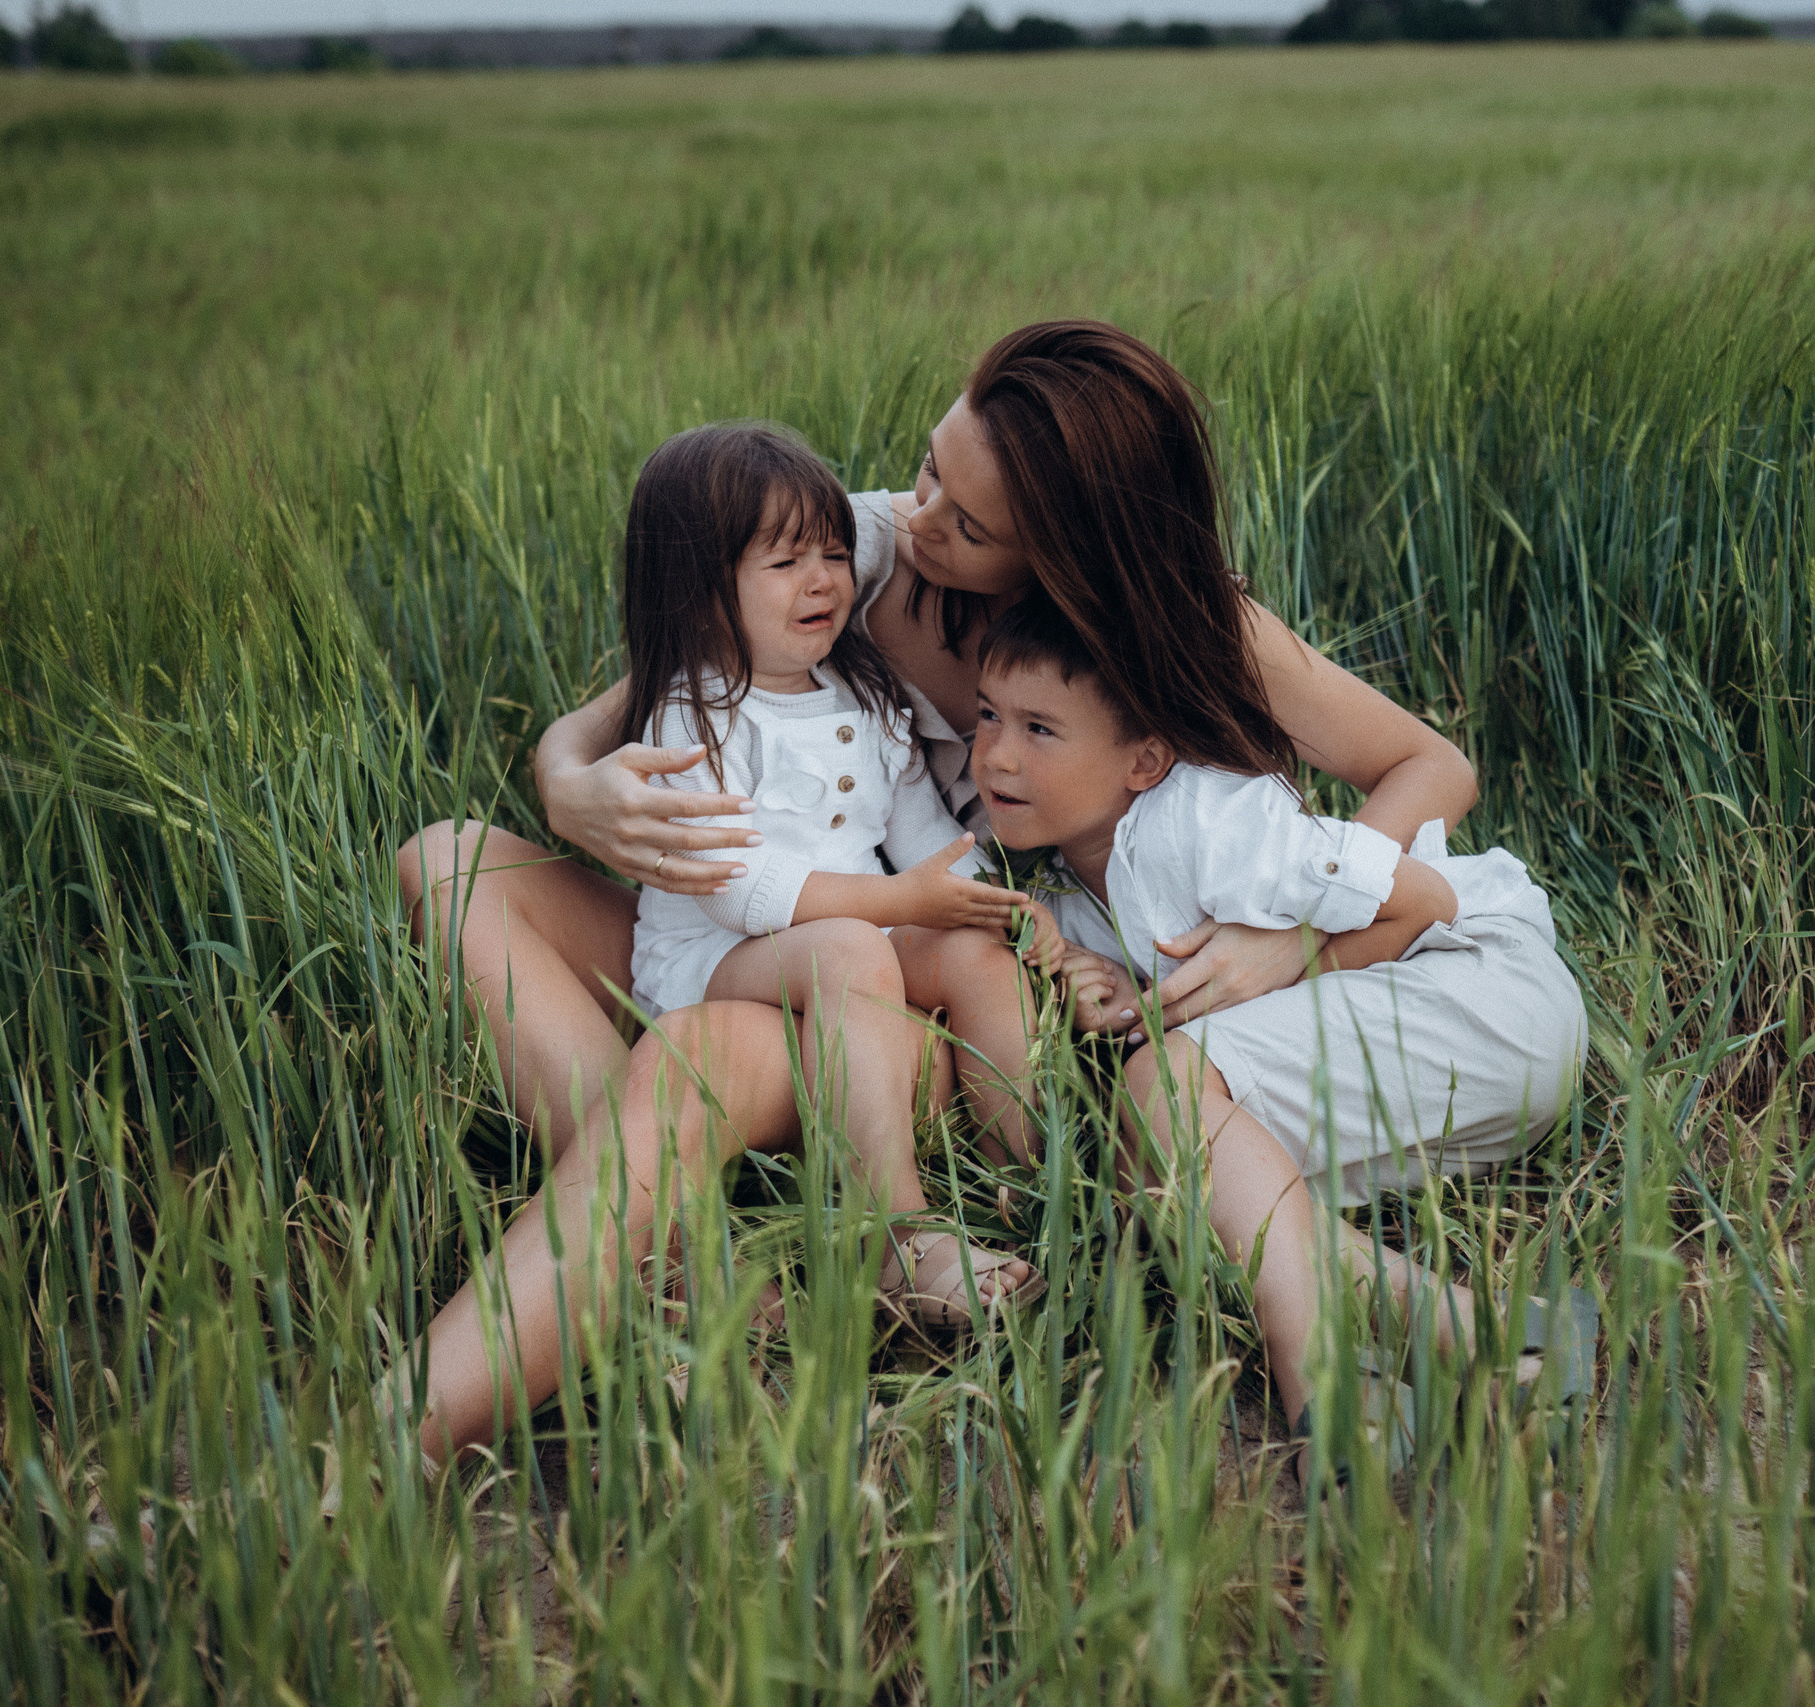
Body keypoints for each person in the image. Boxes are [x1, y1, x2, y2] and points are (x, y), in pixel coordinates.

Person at [391, 320, 1478, 1457]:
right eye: (926, 468)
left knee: (712, 1053)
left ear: (1065, 561)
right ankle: (677, 1260)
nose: (913, 519)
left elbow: (1433, 767)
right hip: (754, 928)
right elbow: (630, 702)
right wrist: (568, 789)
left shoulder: (1165, 629)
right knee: (446, 860)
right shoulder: (849, 549)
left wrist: (1288, 928)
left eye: (966, 522)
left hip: (916, 977)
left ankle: (706, 1267)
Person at [970, 596, 1588, 1429]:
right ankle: (1472, 1330)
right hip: (1428, 1072)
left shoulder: (1206, 819)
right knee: (1154, 1180)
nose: (997, 756)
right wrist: (1113, 991)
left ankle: (1321, 1386)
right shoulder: (1053, 869)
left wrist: (1296, 954)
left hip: (1477, 984)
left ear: (1145, 760)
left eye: (1039, 729)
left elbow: (1425, 899)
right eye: (985, 716)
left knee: (1166, 1087)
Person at [616, 420, 1049, 1324]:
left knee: (974, 959)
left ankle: (1031, 1182)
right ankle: (890, 1235)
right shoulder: (692, 714)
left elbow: (921, 828)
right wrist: (901, 902)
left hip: (857, 933)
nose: (823, 580)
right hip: (717, 961)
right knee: (851, 951)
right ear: (701, 594)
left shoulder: (864, 690)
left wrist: (977, 901)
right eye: (784, 564)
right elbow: (737, 888)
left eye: (833, 553)